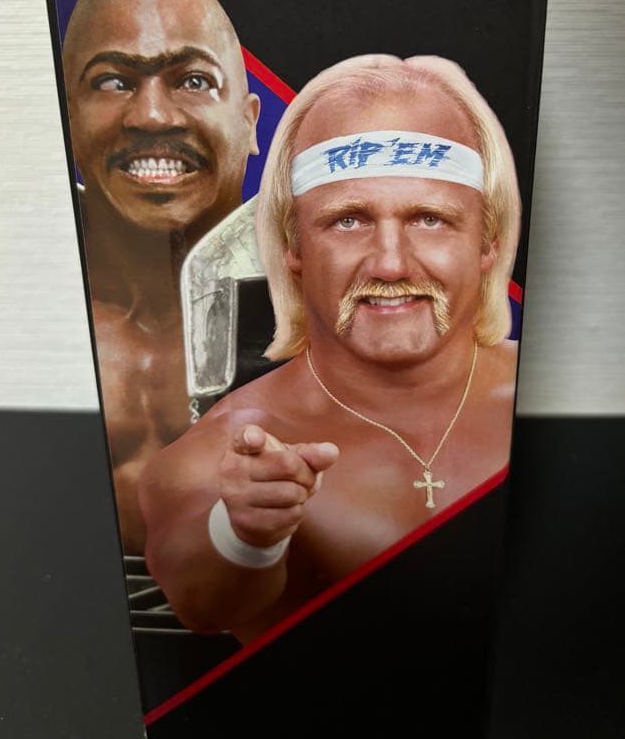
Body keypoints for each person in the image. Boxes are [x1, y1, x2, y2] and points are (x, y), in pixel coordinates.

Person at [139, 54, 521, 640]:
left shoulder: (567, 405)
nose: (390, 264)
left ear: (488, 241)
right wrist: (244, 534)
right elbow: (203, 604)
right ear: (293, 244)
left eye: (429, 219)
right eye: (348, 221)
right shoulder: (223, 452)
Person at [62, 0, 260, 554]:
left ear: (250, 121)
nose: (151, 115)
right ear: (67, 118)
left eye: (194, 80)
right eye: (112, 82)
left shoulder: (327, 291)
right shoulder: (15, 299)